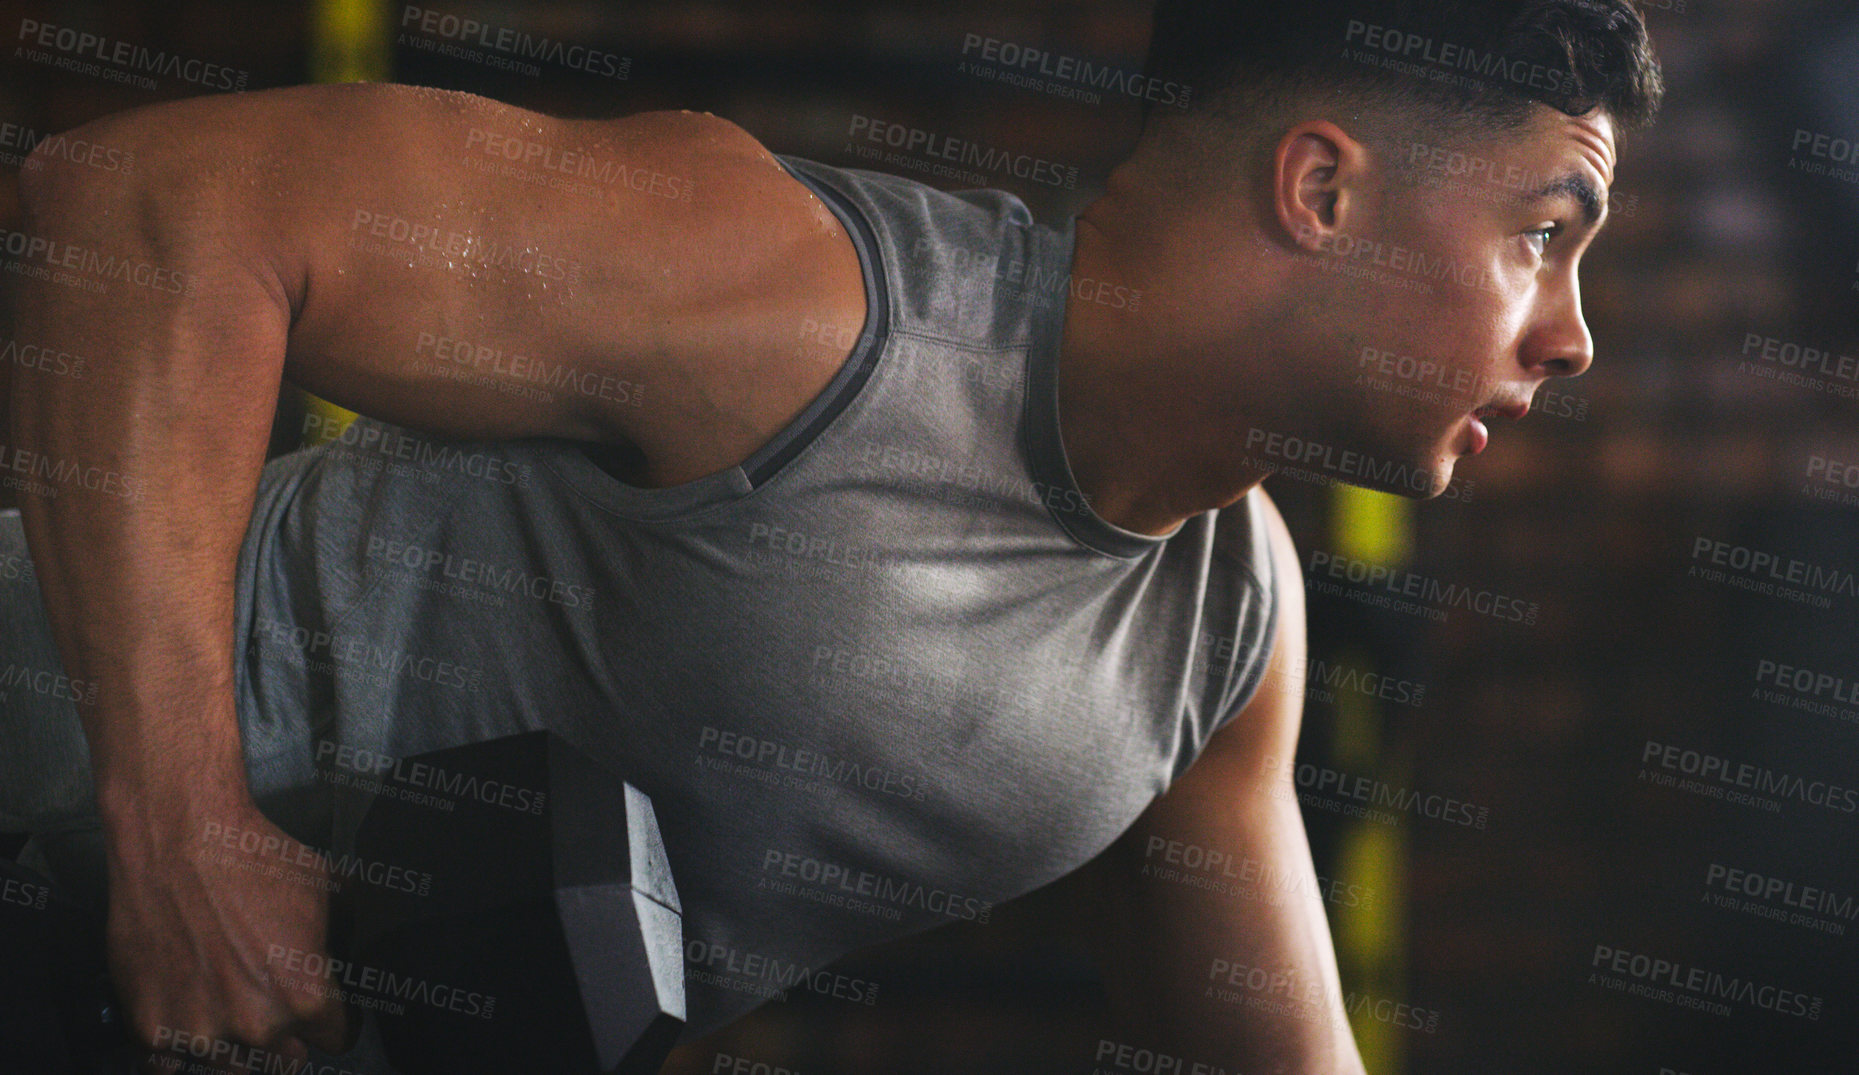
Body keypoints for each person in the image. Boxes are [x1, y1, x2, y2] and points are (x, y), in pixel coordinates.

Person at [0, 0, 1661, 1071]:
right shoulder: (809, 301)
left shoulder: (1223, 636)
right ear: (1322, 191)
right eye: (1543, 236)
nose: (1573, 335)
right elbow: (138, 212)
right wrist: (184, 834)